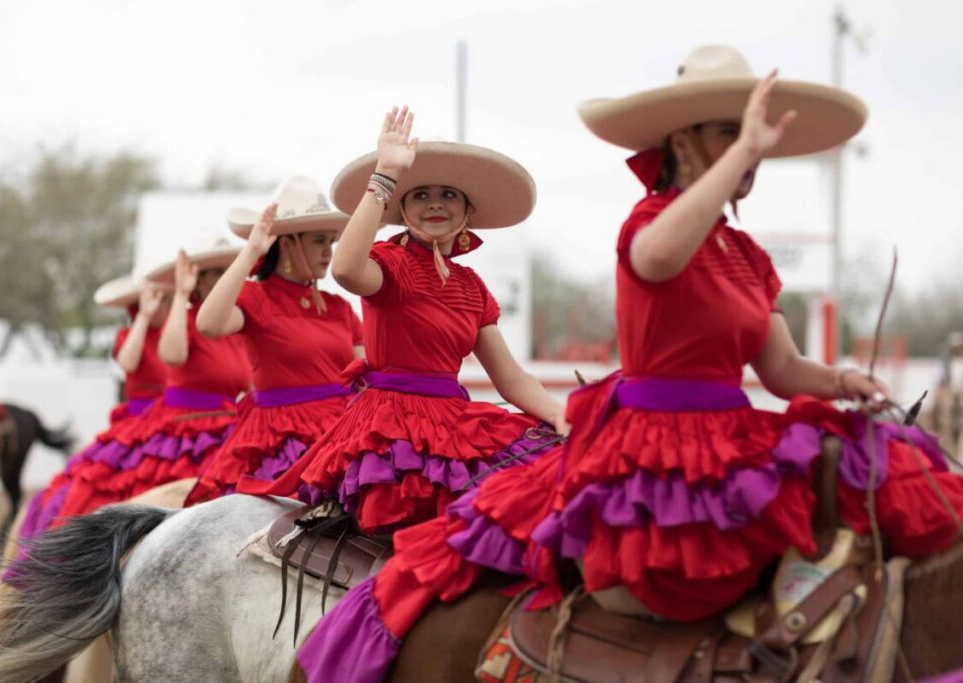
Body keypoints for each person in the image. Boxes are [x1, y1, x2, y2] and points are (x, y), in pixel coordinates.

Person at [293, 47, 963, 682]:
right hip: (643, 439)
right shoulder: (648, 221)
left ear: (470, 212)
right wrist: (385, 175)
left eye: (750, 139)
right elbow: (658, 258)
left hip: (725, 433)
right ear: (682, 144)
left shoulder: (748, 255)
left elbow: (783, 370)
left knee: (879, 478)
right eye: (726, 134)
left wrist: (841, 380)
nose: (747, 150)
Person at [239, 107, 566, 534]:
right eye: (420, 194)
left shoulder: (473, 287)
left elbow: (511, 379)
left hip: (454, 424)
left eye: (448, 195)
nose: (434, 203)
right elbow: (345, 270)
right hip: (390, 428)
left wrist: (564, 416)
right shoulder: (390, 262)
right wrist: (385, 175)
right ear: (402, 207)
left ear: (468, 211)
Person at [184, 177, 364, 505]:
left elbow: (367, 371)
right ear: (289, 243)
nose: (328, 251)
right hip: (281, 435)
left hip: (343, 430)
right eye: (319, 241)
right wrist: (251, 250)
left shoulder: (340, 307)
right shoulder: (257, 298)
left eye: (331, 241)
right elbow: (209, 324)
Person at [55, 235, 252, 517]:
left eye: (228, 272)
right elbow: (160, 357)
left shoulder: (235, 326)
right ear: (198, 280)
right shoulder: (174, 322)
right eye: (217, 273)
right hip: (181, 428)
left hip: (230, 428)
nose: (224, 280)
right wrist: (170, 302)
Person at [17, 276, 170, 540]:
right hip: (138, 418)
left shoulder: (179, 334)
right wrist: (144, 318)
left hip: (169, 417)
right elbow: (128, 363)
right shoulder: (128, 335)